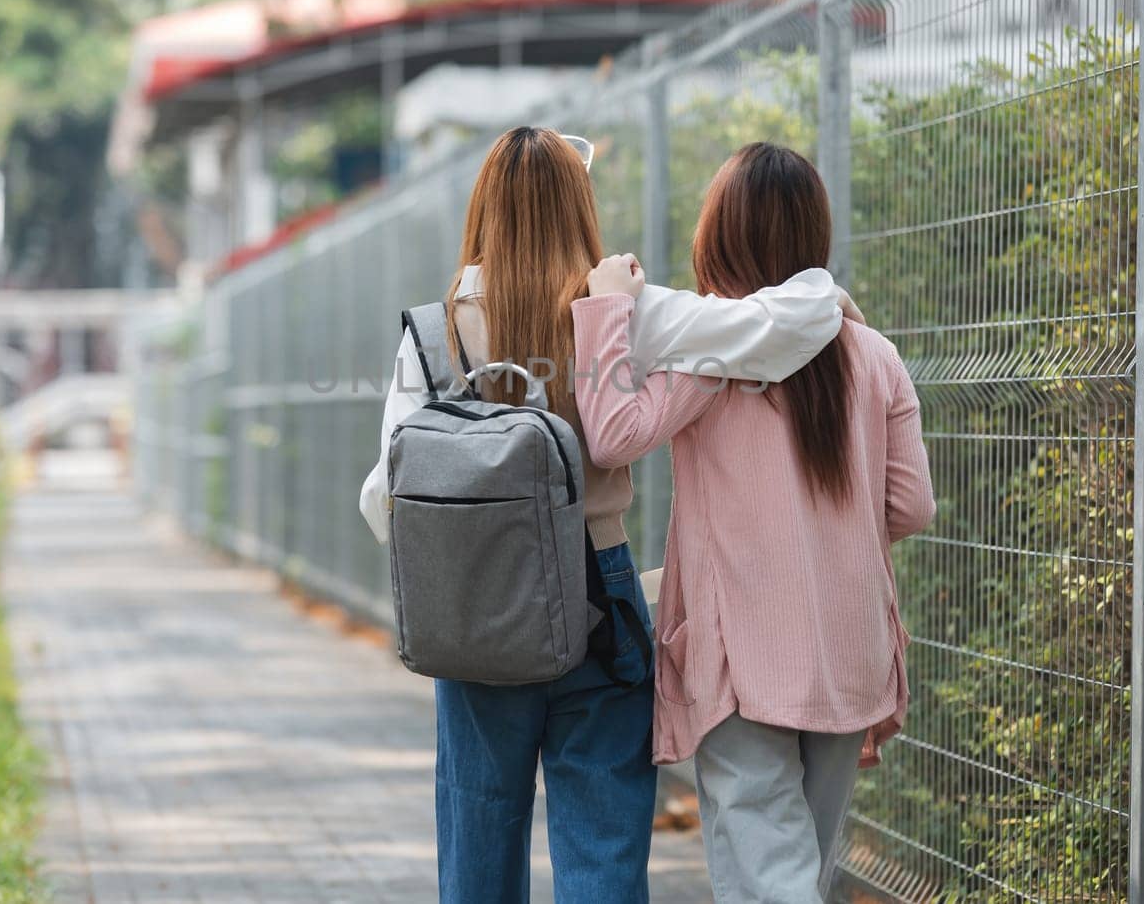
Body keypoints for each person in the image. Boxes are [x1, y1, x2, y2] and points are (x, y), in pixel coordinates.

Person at [357, 127, 858, 904]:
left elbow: (385, 494)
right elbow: (770, 325)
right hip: (599, 601)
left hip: (473, 607)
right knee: (603, 848)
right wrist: (828, 302)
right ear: (579, 206)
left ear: (483, 209)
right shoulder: (625, 309)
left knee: (478, 834)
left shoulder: (432, 334)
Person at [570, 142, 937, 903]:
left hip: (743, 658)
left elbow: (609, 434)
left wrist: (605, 309)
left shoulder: (714, 356)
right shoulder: (873, 354)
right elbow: (911, 506)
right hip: (850, 648)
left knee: (771, 879)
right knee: (803, 866)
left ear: (721, 237)